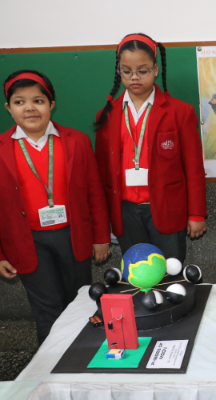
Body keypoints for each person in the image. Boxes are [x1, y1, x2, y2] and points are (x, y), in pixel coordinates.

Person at [0, 70, 111, 344]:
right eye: (19, 102)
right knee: (47, 308)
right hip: (28, 241)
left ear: (51, 104)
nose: (29, 108)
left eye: (38, 101)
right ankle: (50, 360)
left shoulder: (76, 141)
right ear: (8, 108)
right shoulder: (2, 148)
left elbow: (95, 193)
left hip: (73, 236)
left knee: (81, 301)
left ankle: (84, 353)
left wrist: (101, 238)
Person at [94, 33, 207, 263]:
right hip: (125, 212)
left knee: (170, 273)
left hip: (166, 209)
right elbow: (102, 175)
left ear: (155, 69)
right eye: (126, 71)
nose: (134, 77)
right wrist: (103, 225)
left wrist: (196, 213)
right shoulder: (108, 114)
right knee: (136, 273)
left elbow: (194, 168)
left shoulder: (180, 112)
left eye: (142, 70)